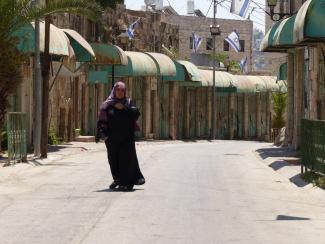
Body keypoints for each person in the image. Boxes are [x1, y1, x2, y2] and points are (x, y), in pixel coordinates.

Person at [96, 81, 145, 191]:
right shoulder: (107, 105)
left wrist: (123, 108)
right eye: (118, 90)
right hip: (112, 139)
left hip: (127, 138)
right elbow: (102, 120)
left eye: (122, 90)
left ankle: (126, 182)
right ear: (114, 91)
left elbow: (136, 114)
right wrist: (102, 133)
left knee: (126, 159)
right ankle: (118, 179)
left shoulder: (128, 102)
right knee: (113, 160)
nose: (120, 92)